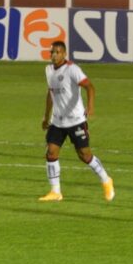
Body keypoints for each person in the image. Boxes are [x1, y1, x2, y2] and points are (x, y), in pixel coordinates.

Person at [38, 40, 114, 202]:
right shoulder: (48, 70)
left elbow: (90, 87)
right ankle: (55, 191)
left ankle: (106, 180)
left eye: (57, 52)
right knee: (51, 152)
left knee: (84, 155)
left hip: (76, 121)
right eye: (52, 52)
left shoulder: (72, 69)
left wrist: (91, 107)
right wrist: (46, 116)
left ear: (64, 54)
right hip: (57, 121)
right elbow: (50, 93)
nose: (54, 55)